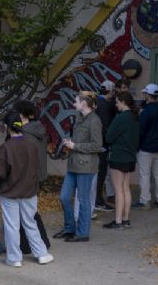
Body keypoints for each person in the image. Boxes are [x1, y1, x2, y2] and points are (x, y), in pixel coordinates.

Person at [0, 110, 54, 267]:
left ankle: (14, 258)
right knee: (30, 222)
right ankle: (41, 253)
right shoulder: (32, 145)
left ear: (8, 127)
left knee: (12, 225)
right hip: (29, 191)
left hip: (10, 192)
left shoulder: (6, 148)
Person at [55, 92, 104, 242]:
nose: (74, 104)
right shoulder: (79, 118)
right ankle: (70, 228)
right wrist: (70, 142)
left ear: (84, 103)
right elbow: (81, 141)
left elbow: (97, 146)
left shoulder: (94, 121)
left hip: (86, 166)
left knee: (83, 200)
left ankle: (83, 233)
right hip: (74, 164)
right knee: (64, 197)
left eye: (76, 101)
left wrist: (75, 145)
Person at [13, 100, 50, 254]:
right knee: (29, 211)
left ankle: (30, 245)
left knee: (26, 213)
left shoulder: (24, 134)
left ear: (22, 115)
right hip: (38, 175)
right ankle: (37, 243)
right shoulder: (37, 129)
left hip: (29, 176)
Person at [104, 91, 140, 229]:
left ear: (123, 102)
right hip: (130, 157)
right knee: (126, 188)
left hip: (119, 156)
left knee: (118, 190)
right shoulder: (135, 117)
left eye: (117, 102)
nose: (116, 104)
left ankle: (118, 221)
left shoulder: (121, 117)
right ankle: (125, 219)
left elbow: (108, 137)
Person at [137, 84, 158, 210]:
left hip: (145, 148)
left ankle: (145, 201)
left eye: (145, 93)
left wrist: (137, 146)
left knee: (145, 175)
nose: (144, 95)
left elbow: (140, 131)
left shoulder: (146, 112)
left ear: (147, 95)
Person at [94, 80, 117, 212]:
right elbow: (106, 126)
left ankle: (97, 199)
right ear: (110, 91)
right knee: (100, 172)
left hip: (97, 143)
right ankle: (98, 200)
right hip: (102, 144)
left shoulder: (97, 103)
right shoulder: (105, 105)